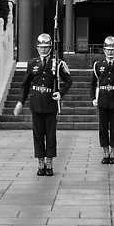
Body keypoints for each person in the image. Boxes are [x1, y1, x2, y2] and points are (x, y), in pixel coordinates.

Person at [14, 33, 72, 176]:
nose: (44, 50)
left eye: (46, 47)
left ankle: (50, 163)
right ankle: (41, 164)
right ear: (37, 48)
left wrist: (60, 93)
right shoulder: (32, 64)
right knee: (38, 135)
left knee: (50, 135)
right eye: (41, 47)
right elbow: (25, 84)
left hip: (51, 104)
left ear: (51, 48)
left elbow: (68, 81)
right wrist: (21, 101)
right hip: (36, 104)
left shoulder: (57, 64)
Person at [90, 36, 114, 164]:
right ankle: (105, 152)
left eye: (112, 49)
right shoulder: (98, 65)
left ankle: (113, 153)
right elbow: (92, 83)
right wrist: (92, 97)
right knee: (102, 128)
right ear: (104, 50)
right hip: (102, 100)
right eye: (108, 49)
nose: (110, 52)